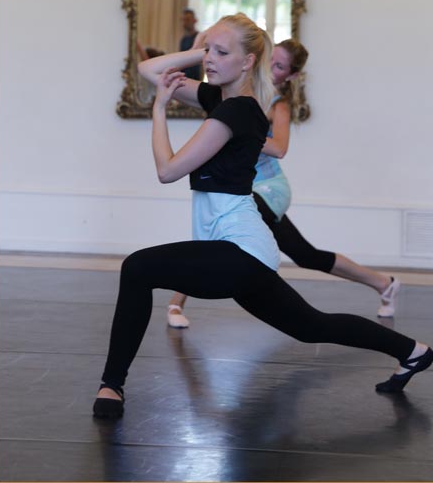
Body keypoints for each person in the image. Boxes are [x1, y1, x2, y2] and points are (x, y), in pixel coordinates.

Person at [93, 13, 433, 419]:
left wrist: (160, 109)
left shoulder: (237, 112)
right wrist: (203, 52)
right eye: (208, 50)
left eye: (222, 52)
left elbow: (167, 170)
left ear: (248, 61)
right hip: (239, 249)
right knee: (312, 326)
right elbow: (149, 69)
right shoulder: (220, 100)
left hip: (239, 250)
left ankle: (111, 385)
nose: (210, 59)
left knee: (137, 268)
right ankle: (413, 351)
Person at [167, 38, 400, 329]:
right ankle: (383, 283)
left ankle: (177, 300)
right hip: (243, 185)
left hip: (269, 188)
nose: (271, 68)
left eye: (279, 66)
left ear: (290, 76)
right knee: (305, 255)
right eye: (270, 60)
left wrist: (239, 129)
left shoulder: (278, 104)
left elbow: (279, 148)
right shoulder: (236, 92)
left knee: (219, 230)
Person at [179, 8, 202, 80]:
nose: (185, 22)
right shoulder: (183, 39)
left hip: (196, 79)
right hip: (184, 78)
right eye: (183, 20)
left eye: (187, 20)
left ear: (195, 20)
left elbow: (202, 62)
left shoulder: (200, 38)